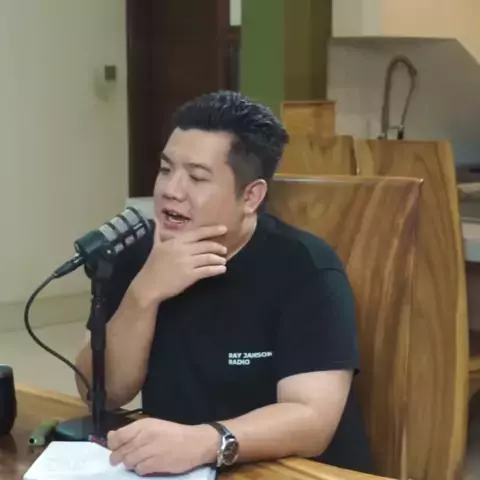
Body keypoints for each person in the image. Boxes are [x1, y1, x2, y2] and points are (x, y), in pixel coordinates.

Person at [74, 91, 373, 476]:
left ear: (251, 196)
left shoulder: (306, 269)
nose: (170, 190)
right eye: (166, 169)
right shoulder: (136, 255)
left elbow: (311, 418)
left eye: (197, 177)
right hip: (178, 470)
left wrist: (204, 442)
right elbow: (100, 394)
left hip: (290, 471)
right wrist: (144, 293)